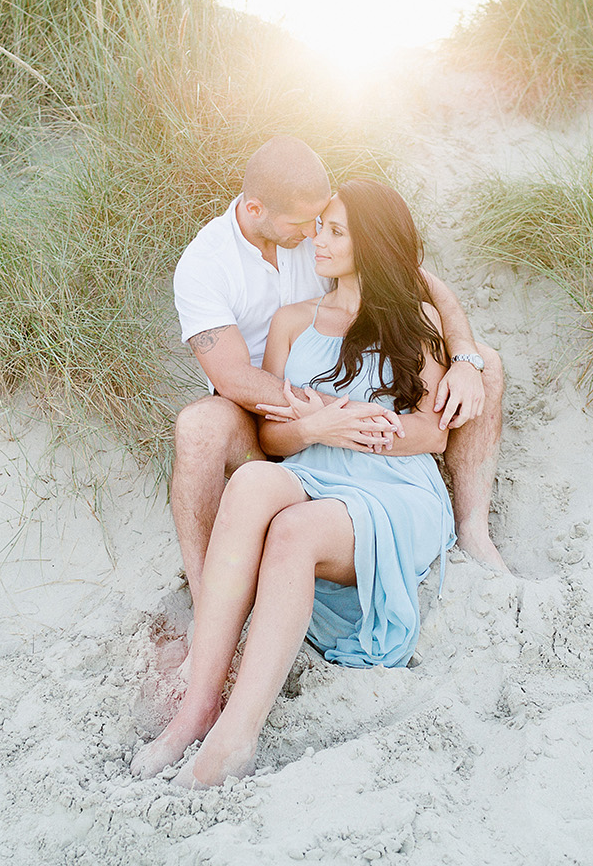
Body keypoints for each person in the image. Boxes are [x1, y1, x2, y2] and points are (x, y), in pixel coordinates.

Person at [135, 180, 457, 786]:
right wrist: (316, 425)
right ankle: (198, 706)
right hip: (315, 469)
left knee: (292, 532)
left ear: (373, 243)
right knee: (256, 479)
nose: (319, 240)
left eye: (337, 231)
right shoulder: (292, 322)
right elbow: (275, 438)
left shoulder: (415, 320)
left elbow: (434, 434)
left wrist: (365, 429)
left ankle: (235, 738)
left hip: (393, 490)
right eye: (319, 227)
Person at [170, 138, 506, 635]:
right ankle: (208, 610)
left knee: (489, 365)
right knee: (199, 424)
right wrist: (328, 414)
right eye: (303, 224)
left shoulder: (314, 234)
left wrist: (464, 356)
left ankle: (472, 525)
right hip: (266, 411)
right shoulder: (205, 267)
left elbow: (423, 283)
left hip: (348, 393)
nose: (313, 234)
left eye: (322, 222)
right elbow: (234, 378)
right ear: (256, 209)